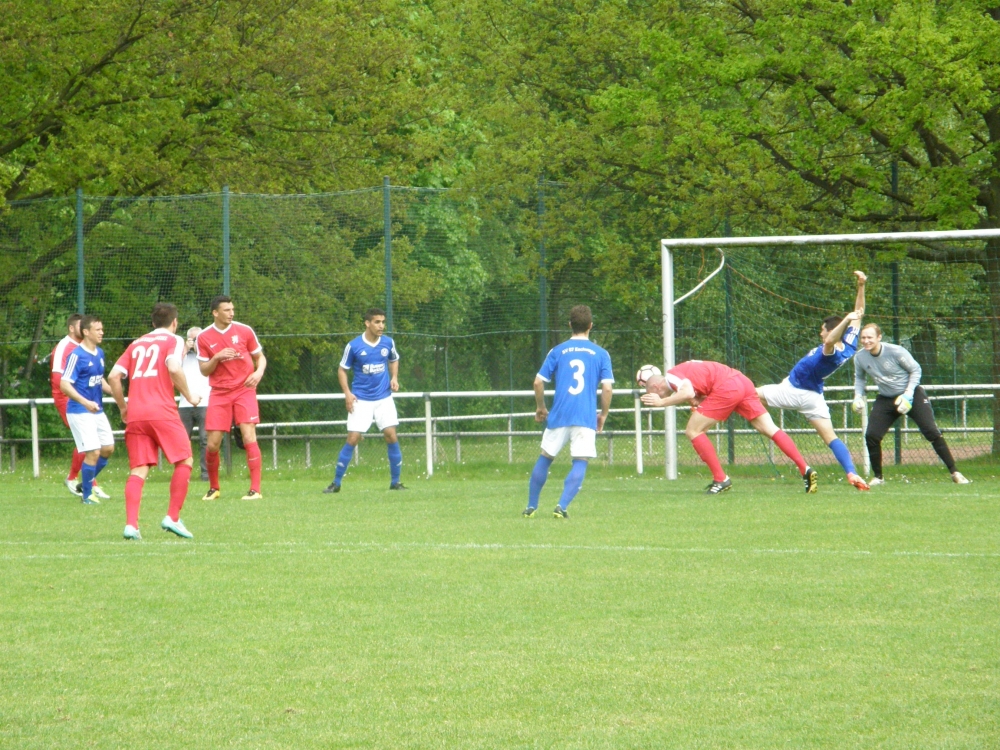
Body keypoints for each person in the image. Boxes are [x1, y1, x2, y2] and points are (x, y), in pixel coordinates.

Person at [757, 271, 870, 491]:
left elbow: (829, 340)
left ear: (831, 331)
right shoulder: (848, 343)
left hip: (794, 391)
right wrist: (861, 285)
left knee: (746, 394)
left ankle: (706, 405)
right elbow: (859, 314)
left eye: (822, 330)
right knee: (831, 438)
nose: (821, 333)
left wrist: (846, 319)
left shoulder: (831, 351)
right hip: (813, 397)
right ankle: (852, 472)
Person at [641, 360, 817, 494]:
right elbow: (699, 385)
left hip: (727, 387)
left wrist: (662, 402)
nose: (652, 398)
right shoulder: (684, 369)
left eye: (650, 394)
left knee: (693, 430)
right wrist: (699, 399)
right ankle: (805, 468)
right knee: (770, 428)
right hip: (742, 381)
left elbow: (687, 392)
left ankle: (721, 479)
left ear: (656, 387)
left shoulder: (671, 376)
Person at [108, 303, 202, 540]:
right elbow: (174, 368)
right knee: (185, 459)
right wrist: (189, 396)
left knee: (138, 469)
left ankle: (131, 525)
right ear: (175, 322)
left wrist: (123, 407)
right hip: (161, 410)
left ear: (152, 323)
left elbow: (113, 376)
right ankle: (173, 517)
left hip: (136, 413)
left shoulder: (136, 343)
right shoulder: (174, 340)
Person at [522, 305, 614, 519]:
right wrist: (603, 414)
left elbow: (538, 382)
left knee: (545, 457)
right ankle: (561, 506)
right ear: (591, 326)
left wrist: (541, 407)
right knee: (580, 460)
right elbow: (607, 388)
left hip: (559, 414)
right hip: (585, 416)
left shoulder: (557, 351)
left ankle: (531, 507)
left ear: (570, 325)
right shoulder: (601, 354)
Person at [853, 323, 970, 484]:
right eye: (863, 338)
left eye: (870, 337)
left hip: (912, 395)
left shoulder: (896, 351)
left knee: (931, 431)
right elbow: (860, 378)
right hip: (886, 398)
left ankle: (955, 472)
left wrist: (907, 395)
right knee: (871, 436)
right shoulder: (860, 357)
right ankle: (878, 477)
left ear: (879, 337)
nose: (866, 341)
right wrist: (858, 396)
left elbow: (915, 370)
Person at [324, 308, 403, 493]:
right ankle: (336, 483)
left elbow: (394, 359)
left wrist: (394, 378)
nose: (381, 326)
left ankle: (395, 482)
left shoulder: (388, 342)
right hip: (361, 399)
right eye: (377, 322)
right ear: (367, 323)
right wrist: (347, 393)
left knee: (391, 435)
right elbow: (342, 370)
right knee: (353, 438)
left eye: (383, 322)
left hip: (384, 397)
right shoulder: (354, 346)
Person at [197, 296, 267, 501]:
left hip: (244, 389)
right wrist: (217, 357)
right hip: (219, 392)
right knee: (212, 444)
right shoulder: (204, 336)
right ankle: (214, 488)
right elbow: (204, 370)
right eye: (226, 310)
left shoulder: (244, 330)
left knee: (248, 436)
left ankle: (255, 489)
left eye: (232, 309)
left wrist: (258, 373)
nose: (231, 313)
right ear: (215, 313)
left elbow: (260, 357)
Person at [59, 315, 114, 504]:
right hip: (79, 410)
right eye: (97, 330)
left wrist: (114, 391)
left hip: (96, 410)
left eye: (102, 329)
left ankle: (86, 483)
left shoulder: (99, 353)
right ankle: (87, 496)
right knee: (93, 452)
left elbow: (99, 379)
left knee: (108, 448)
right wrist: (85, 402)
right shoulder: (76, 355)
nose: (102, 332)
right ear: (86, 332)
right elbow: (64, 384)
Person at [178, 326, 210, 481]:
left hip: (205, 402)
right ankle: (183, 473)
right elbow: (172, 367)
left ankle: (206, 473)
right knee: (183, 440)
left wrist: (199, 349)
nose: (194, 342)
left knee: (206, 439)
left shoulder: (208, 355)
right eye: (192, 339)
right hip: (185, 404)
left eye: (197, 339)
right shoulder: (181, 355)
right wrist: (185, 348)